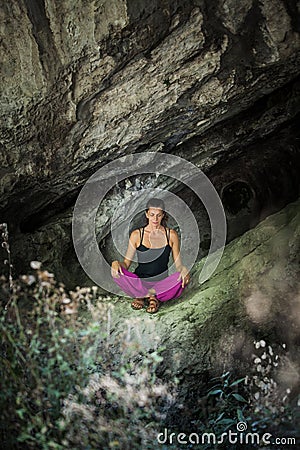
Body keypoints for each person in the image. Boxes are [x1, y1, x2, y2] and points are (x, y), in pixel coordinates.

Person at [111, 198, 190, 313]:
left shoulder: (171, 235)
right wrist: (116, 263)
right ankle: (151, 297)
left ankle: (144, 296)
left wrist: (184, 270)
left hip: (161, 283)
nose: (155, 219)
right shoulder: (137, 235)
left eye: (158, 215)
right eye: (152, 215)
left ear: (163, 215)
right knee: (117, 272)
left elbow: (178, 265)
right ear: (146, 214)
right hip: (139, 281)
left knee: (181, 278)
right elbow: (126, 264)